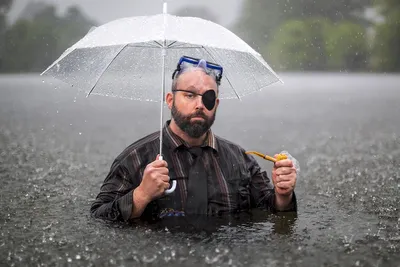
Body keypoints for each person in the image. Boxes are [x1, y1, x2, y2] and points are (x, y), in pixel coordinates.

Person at [90, 56, 297, 222]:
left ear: (215, 104)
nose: (199, 104)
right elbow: (98, 217)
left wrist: (283, 194)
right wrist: (142, 195)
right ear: (170, 100)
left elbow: (273, 211)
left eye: (207, 97)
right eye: (189, 95)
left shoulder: (240, 160)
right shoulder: (135, 159)